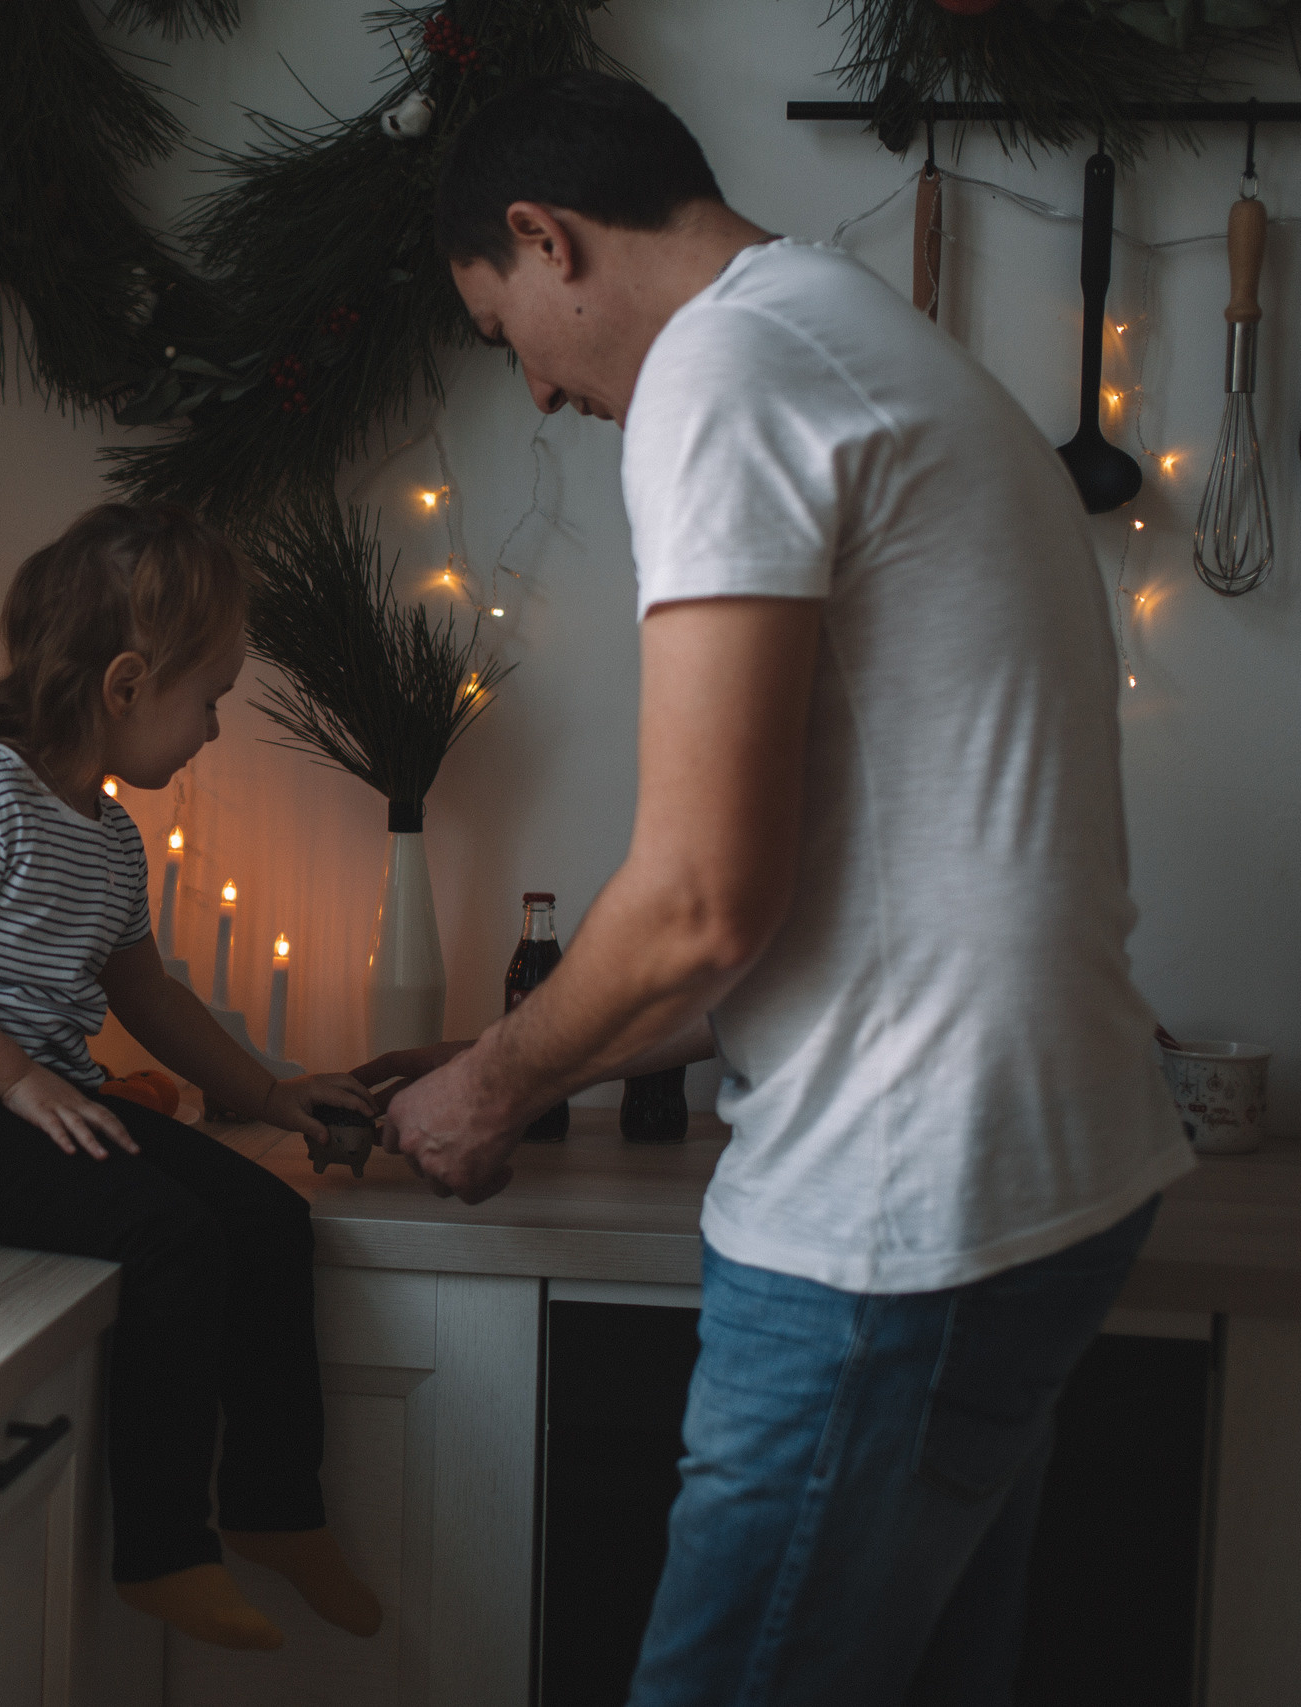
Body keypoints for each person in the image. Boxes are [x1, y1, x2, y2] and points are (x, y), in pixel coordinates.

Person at [368, 72, 1192, 1706]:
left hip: (892, 1216)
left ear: (548, 240)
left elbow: (698, 899)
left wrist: (494, 1083)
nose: (531, 391)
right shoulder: (857, 335)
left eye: (500, 326)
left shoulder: (725, 370)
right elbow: (865, 883)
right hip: (1042, 1174)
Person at [0, 502, 383, 1652]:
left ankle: (279, 1510)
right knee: (172, 1238)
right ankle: (164, 1550)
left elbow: (151, 995)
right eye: (211, 699)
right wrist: (20, 1082)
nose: (216, 730)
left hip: (30, 1104)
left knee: (270, 1221)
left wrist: (274, 1093)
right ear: (127, 686)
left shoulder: (108, 835)